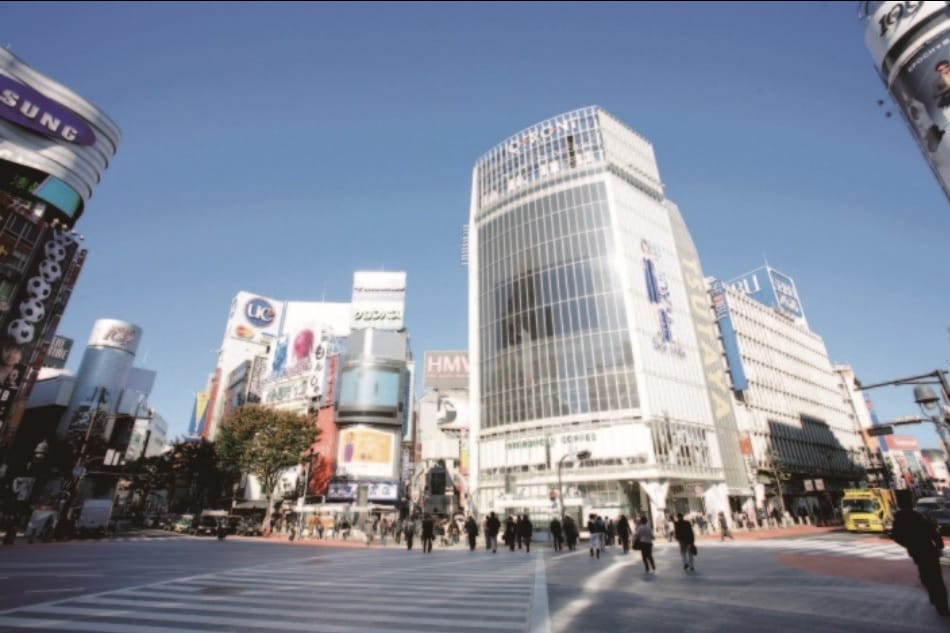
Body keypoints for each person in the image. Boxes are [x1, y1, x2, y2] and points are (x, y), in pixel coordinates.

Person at [892, 493, 949, 616]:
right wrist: (939, 544)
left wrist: (908, 543)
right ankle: (941, 605)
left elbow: (895, 535)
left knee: (928, 576)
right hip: (928, 550)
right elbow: (932, 530)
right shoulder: (918, 516)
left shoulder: (899, 519)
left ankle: (935, 600)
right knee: (936, 578)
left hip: (916, 552)